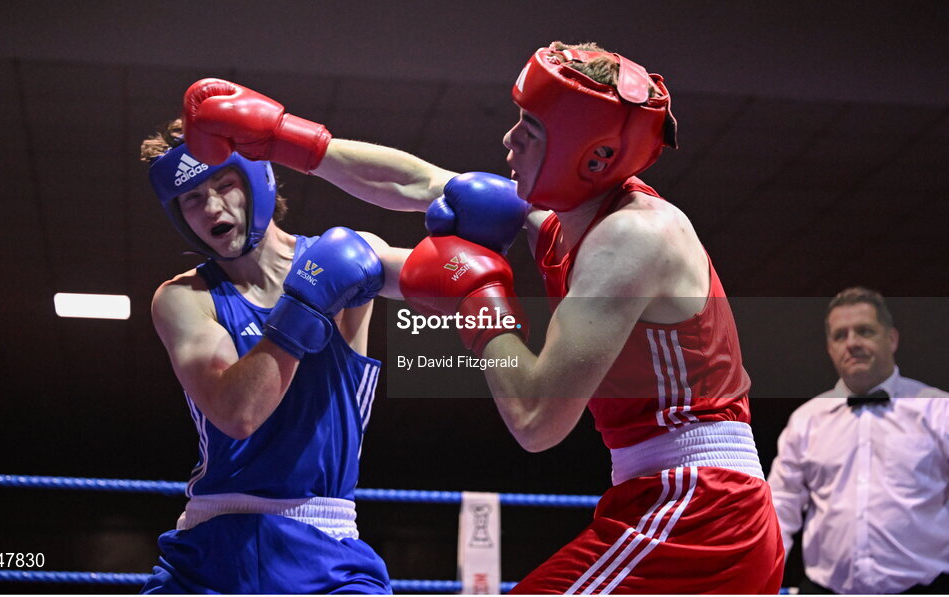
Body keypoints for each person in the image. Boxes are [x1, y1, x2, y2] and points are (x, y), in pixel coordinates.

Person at [179, 40, 784, 594]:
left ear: (591, 155)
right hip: (667, 498)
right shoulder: (567, 224)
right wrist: (286, 138)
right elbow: (421, 182)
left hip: (699, 511)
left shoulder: (631, 238)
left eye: (531, 128)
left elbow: (537, 420)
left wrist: (480, 300)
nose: (508, 142)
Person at [137, 119, 408, 594]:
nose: (212, 207)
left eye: (224, 186)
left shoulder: (349, 255)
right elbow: (238, 413)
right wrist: (307, 303)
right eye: (193, 198)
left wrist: (486, 222)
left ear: (258, 182)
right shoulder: (183, 298)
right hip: (210, 549)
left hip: (327, 545)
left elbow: (451, 283)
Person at [768, 287, 949, 594]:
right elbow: (779, 509)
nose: (852, 343)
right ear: (829, 347)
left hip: (925, 588)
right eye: (840, 335)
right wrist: (760, 582)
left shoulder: (937, 409)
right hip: (826, 588)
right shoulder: (806, 419)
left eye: (864, 331)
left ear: (891, 339)